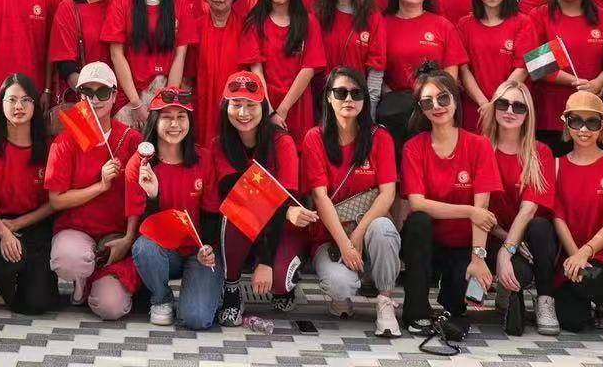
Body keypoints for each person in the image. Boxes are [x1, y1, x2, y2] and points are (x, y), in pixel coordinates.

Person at [206, 69, 316, 326]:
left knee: (278, 279)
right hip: (243, 223)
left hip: (283, 227)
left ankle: (284, 283)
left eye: (251, 105)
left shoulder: (282, 142)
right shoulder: (219, 144)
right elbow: (236, 194)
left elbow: (285, 199)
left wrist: (266, 261)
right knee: (236, 210)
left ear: (264, 106)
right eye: (236, 104)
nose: (243, 113)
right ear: (226, 107)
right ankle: (232, 289)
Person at [398, 68, 499, 337]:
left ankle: (449, 301)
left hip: (464, 245)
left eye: (443, 99)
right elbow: (417, 203)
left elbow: (483, 209)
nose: (437, 107)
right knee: (418, 222)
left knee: (456, 304)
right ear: (420, 108)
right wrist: (468, 211)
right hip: (428, 245)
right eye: (427, 102)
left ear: (455, 99)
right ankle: (416, 311)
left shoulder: (479, 146)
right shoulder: (414, 147)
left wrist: (478, 259)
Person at [302, 66, 401, 334]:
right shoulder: (315, 138)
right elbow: (320, 198)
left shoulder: (379, 137)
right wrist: (345, 245)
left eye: (356, 93)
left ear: (364, 100)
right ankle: (342, 297)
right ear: (328, 98)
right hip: (330, 237)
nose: (348, 99)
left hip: (366, 229)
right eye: (341, 92)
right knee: (339, 285)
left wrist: (356, 235)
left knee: (383, 229)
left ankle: (385, 300)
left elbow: (388, 193)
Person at [45, 62, 139, 316]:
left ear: (115, 95)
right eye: (87, 93)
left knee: (110, 308)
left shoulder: (130, 139)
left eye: (103, 93)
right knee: (67, 260)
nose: (95, 100)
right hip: (77, 229)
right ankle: (82, 279)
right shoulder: (66, 140)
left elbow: (138, 197)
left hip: (115, 236)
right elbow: (56, 200)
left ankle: (100, 279)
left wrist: (129, 238)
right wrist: (100, 186)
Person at [127, 86, 221, 328]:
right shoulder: (140, 165)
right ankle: (161, 298)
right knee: (144, 248)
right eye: (167, 117)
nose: (174, 124)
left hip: (197, 250)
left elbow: (212, 214)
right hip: (163, 250)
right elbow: (145, 229)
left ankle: (205, 291)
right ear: (155, 121)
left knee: (197, 319)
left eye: (181, 117)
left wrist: (208, 247)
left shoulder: (205, 159)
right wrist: (153, 196)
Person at [481, 76, 561, 336]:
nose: (510, 111)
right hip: (492, 235)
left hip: (530, 239)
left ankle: (545, 300)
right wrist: (506, 245)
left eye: (519, 106)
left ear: (528, 113)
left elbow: (529, 209)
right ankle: (506, 292)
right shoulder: (479, 148)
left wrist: (509, 249)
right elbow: (479, 209)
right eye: (503, 104)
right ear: (494, 108)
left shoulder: (541, 152)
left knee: (539, 226)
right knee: (518, 272)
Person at [0, 73, 59, 313]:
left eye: (26, 100)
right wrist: (4, 232)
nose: (18, 107)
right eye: (11, 100)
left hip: (35, 224)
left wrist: (19, 223)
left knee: (37, 304)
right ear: (1, 105)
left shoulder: (48, 147)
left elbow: (53, 203)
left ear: (35, 104)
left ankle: (37, 278)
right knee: (8, 260)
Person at [550, 91, 603, 332]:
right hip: (568, 258)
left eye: (592, 122)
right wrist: (575, 257)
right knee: (572, 323)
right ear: (566, 123)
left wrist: (584, 255)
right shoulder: (556, 165)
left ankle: (602, 301)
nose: (584, 129)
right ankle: (581, 301)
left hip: (602, 257)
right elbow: (558, 218)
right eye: (576, 121)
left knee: (593, 280)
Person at [530, 0, 603, 148]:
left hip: (592, 118)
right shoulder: (539, 16)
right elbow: (537, 66)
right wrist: (574, 81)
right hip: (551, 118)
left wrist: (598, 82)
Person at [382, 0, 465, 149]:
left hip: (435, 111)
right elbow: (376, 70)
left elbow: (451, 76)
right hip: (395, 112)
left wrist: (435, 102)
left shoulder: (442, 25)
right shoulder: (382, 24)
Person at [106, 0, 192, 123]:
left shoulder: (180, 3)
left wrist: (167, 100)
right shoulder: (122, 1)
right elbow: (116, 54)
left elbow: (180, 55)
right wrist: (136, 104)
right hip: (130, 96)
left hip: (165, 92)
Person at [246, 0, 325, 137]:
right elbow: (255, 69)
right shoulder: (255, 23)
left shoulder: (308, 21)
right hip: (263, 101)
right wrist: (269, 109)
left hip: (297, 102)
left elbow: (309, 68)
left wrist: (283, 109)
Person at [458, 0, 534, 132]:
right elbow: (463, 69)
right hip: (476, 109)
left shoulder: (523, 23)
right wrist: (484, 103)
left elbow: (522, 68)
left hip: (512, 108)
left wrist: (497, 103)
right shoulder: (465, 24)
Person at [192, 0, 263, 135]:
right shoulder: (195, 27)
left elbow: (256, 71)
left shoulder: (246, 26)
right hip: (202, 103)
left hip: (238, 106)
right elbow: (187, 78)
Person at [315, 0, 386, 98]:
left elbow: (376, 69)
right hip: (322, 100)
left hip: (356, 100)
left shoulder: (372, 17)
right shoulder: (317, 15)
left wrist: (369, 109)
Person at [51, 0, 119, 99]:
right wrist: (91, 95)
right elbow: (65, 63)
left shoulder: (121, 3)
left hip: (117, 96)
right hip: (83, 95)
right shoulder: (69, 7)